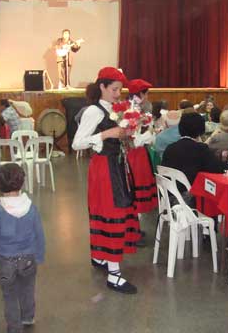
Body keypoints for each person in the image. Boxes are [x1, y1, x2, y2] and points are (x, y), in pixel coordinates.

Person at [72, 66, 139, 294]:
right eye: (114, 89)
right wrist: (105, 134)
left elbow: (119, 139)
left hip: (116, 165)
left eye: (120, 90)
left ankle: (101, 256)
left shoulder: (114, 109)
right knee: (112, 212)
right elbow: (77, 143)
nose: (118, 94)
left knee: (115, 209)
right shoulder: (94, 111)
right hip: (103, 169)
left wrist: (127, 133)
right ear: (102, 86)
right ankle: (114, 274)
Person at [0, 163, 45, 333]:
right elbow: (39, 233)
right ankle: (28, 316)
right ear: (21, 183)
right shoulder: (31, 208)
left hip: (6, 259)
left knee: (9, 295)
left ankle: (14, 327)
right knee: (28, 289)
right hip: (29, 258)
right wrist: (39, 255)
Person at [161, 112, 225, 193]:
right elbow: (218, 171)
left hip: (169, 195)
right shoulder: (201, 149)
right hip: (191, 198)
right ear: (201, 129)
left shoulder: (170, 148)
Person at [126, 79, 157, 217]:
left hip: (137, 152)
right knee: (135, 185)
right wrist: (150, 134)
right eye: (146, 94)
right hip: (134, 154)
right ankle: (134, 219)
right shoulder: (132, 112)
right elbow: (134, 141)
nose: (147, 97)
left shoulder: (133, 108)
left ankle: (135, 220)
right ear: (141, 94)